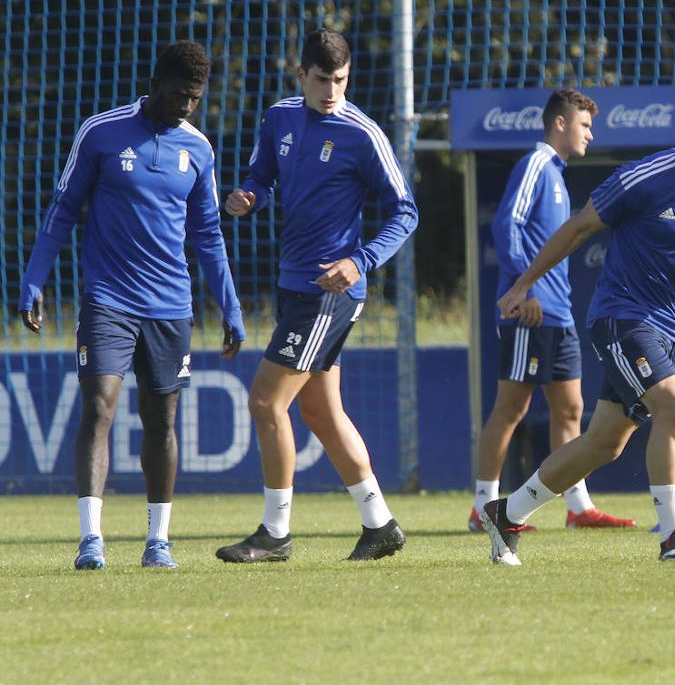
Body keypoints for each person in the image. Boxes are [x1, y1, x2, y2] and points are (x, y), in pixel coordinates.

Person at [478, 91, 675, 565]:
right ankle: (673, 535)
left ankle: (506, 513)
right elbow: (577, 228)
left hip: (673, 328)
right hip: (621, 317)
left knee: (603, 443)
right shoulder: (646, 177)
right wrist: (521, 285)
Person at [18, 42, 246, 570]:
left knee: (161, 419)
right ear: (156, 83)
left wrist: (230, 308)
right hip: (108, 298)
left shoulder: (199, 149)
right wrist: (34, 280)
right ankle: (90, 539)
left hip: (170, 305)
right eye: (180, 94)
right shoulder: (101, 132)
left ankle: (158, 541)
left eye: (196, 97)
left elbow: (209, 236)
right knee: (99, 407)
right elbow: (62, 211)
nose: (187, 105)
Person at [215, 29, 418, 562]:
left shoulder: (363, 134)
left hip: (330, 291)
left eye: (342, 80)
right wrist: (247, 197)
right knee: (323, 415)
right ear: (299, 74)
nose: (333, 90)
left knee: (265, 400)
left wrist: (360, 260)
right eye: (323, 79)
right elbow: (262, 175)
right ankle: (380, 525)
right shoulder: (280, 116)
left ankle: (275, 533)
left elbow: (406, 211)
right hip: (293, 285)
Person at [468, 89, 637, 533]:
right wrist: (525, 289)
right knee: (510, 408)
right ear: (560, 123)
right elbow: (507, 224)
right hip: (530, 313)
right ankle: (483, 505)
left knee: (571, 410)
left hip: (558, 315)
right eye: (584, 125)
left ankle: (578, 508)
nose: (590, 134)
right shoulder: (536, 164)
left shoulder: (558, 176)